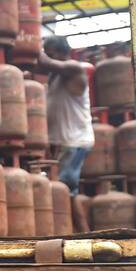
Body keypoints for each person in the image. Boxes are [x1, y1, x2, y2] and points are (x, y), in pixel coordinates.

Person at [40, 35, 95, 197]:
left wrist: (29, 43)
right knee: (64, 191)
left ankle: (72, 223)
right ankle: (71, 222)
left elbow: (44, 62)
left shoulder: (73, 68)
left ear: (60, 52)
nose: (48, 56)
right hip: (63, 142)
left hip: (75, 141)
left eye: (50, 53)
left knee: (65, 191)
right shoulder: (55, 75)